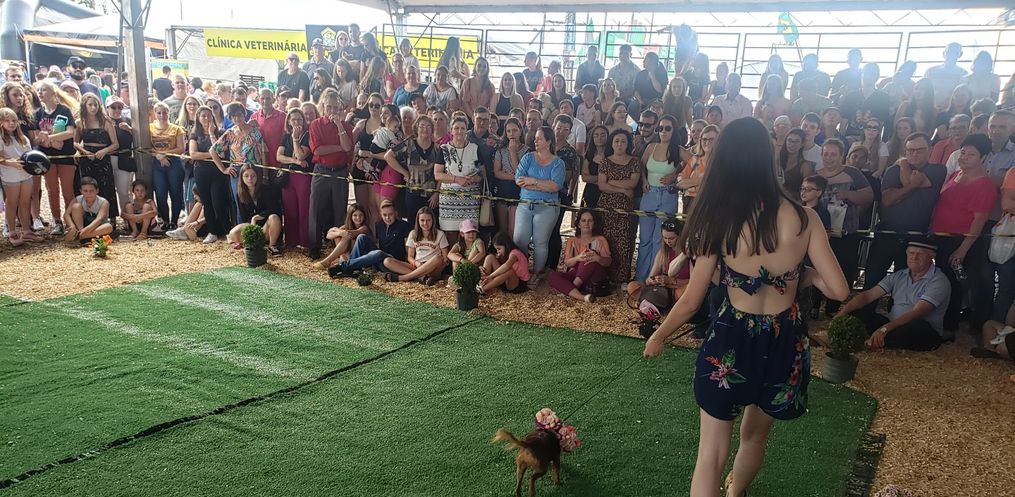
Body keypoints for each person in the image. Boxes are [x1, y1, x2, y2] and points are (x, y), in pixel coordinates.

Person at [643, 117, 848, 497]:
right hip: (784, 340)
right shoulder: (805, 216)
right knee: (754, 438)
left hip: (732, 337)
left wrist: (658, 336)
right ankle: (736, 491)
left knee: (711, 453)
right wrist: (804, 276)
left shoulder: (717, 218)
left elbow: (691, 300)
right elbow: (838, 289)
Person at [930, 133, 997, 332]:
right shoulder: (955, 174)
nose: (964, 157)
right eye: (963, 152)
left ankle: (949, 327)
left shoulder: (984, 185)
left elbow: (979, 219)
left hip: (961, 241)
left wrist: (963, 249)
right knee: (941, 280)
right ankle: (939, 321)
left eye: (971, 154)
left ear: (983, 158)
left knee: (954, 284)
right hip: (942, 237)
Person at [864, 132, 947, 289]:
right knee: (872, 279)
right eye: (910, 150)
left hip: (917, 237)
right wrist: (912, 185)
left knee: (906, 283)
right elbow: (888, 200)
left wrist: (903, 165)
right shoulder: (892, 170)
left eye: (920, 150)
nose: (914, 154)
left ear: (930, 149)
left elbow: (912, 180)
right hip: (887, 233)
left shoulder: (938, 170)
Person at [837, 238, 951, 351]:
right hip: (893, 325)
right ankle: (877, 339)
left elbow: (917, 312)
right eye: (911, 253)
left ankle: (872, 341)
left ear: (932, 257)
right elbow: (868, 296)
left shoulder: (939, 280)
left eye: (920, 254)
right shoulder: (899, 275)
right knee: (854, 314)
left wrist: (884, 329)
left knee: (917, 326)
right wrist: (842, 313)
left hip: (922, 330)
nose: (914, 257)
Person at [815, 138, 873, 315]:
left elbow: (869, 196)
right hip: (821, 233)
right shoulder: (815, 175)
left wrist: (848, 194)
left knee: (843, 268)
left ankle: (833, 310)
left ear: (842, 156)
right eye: (826, 154)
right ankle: (815, 307)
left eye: (833, 154)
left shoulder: (853, 173)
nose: (829, 158)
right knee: (818, 268)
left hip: (846, 232)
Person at [513, 125, 566, 286]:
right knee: (519, 238)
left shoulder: (558, 163)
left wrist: (533, 181)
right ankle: (521, 269)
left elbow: (555, 186)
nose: (535, 141)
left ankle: (537, 272)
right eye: (535, 138)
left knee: (540, 241)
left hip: (547, 207)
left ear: (548, 141)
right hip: (525, 204)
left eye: (539, 139)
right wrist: (542, 185)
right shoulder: (528, 157)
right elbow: (519, 179)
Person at [635, 114, 682, 283]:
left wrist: (676, 176)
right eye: (661, 128)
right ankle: (640, 278)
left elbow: (694, 161)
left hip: (668, 195)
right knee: (644, 239)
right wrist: (644, 180)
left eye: (667, 128)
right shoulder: (651, 147)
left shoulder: (679, 150)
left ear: (674, 130)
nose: (663, 131)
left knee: (659, 239)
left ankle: (653, 279)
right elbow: (641, 164)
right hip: (649, 194)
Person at [307, 90, 353, 260]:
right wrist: (339, 147)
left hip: (340, 171)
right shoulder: (316, 124)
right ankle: (314, 245)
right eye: (329, 107)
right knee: (316, 208)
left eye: (335, 107)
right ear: (323, 107)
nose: (332, 110)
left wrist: (339, 126)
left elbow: (348, 147)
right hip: (322, 170)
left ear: (340, 108)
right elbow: (318, 150)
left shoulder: (346, 126)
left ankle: (338, 245)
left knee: (340, 209)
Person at [210, 102, 268, 225]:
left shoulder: (255, 132)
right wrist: (223, 169)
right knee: (239, 203)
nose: (237, 118)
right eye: (233, 116)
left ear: (244, 114)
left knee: (257, 200)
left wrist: (265, 175)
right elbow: (213, 150)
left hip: (254, 170)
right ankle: (240, 231)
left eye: (239, 115)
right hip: (236, 172)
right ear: (230, 117)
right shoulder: (229, 133)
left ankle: (256, 230)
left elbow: (263, 153)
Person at [598, 128, 640, 287]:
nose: (620, 144)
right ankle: (603, 275)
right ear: (612, 143)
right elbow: (602, 185)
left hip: (625, 208)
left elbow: (632, 183)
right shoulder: (605, 161)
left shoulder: (634, 161)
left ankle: (622, 277)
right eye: (616, 141)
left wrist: (611, 181)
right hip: (606, 206)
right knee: (605, 239)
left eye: (623, 141)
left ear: (628, 144)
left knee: (624, 240)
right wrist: (622, 189)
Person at [328, 200, 412, 278]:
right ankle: (350, 268)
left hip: (391, 261)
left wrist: (407, 262)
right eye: (384, 215)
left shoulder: (403, 225)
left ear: (396, 213)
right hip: (378, 258)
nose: (387, 217)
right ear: (380, 214)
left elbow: (408, 249)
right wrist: (339, 232)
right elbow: (377, 244)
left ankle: (345, 267)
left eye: (390, 214)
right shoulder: (379, 225)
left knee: (379, 253)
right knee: (362, 237)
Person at [35, 80, 77, 234]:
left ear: (53, 92)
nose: (40, 93)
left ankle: (71, 221)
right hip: (47, 158)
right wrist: (49, 141)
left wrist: (49, 137)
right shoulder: (37, 113)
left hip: (65, 157)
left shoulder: (64, 110)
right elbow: (36, 138)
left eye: (44, 89)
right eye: (39, 90)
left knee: (68, 190)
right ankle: (57, 221)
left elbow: (70, 132)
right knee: (52, 190)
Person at [73, 93, 119, 224]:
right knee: (87, 186)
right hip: (86, 158)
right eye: (90, 105)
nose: (93, 108)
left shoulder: (106, 121)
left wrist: (104, 151)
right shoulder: (80, 122)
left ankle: (110, 216)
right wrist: (84, 152)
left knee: (106, 186)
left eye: (96, 105)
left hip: (102, 157)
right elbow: (75, 142)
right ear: (84, 106)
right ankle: (88, 216)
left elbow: (115, 144)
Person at [434, 116, 482, 241]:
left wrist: (474, 178)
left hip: (470, 201)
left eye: (462, 128)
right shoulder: (444, 149)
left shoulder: (474, 148)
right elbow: (437, 174)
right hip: (449, 200)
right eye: (456, 128)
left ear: (467, 130)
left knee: (470, 236)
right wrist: (457, 179)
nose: (459, 131)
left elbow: (483, 174)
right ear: (451, 130)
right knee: (450, 236)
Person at [188, 104, 230, 244]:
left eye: (208, 115)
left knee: (218, 203)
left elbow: (221, 152)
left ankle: (227, 231)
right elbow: (193, 154)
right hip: (201, 172)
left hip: (217, 172)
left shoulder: (220, 132)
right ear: (198, 118)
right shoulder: (195, 134)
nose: (206, 118)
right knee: (207, 203)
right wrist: (211, 154)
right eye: (203, 116)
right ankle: (212, 232)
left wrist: (212, 134)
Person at [626, 217, 687, 303]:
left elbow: (694, 282)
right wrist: (653, 280)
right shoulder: (663, 253)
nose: (668, 241)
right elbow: (648, 280)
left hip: (678, 289)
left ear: (680, 236)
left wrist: (671, 281)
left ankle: (654, 303)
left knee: (685, 290)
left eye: (671, 238)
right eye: (665, 238)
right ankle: (656, 303)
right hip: (662, 290)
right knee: (632, 286)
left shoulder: (688, 254)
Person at [226, 164, 283, 256]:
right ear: (241, 178)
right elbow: (243, 216)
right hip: (252, 225)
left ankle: (272, 246)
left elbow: (272, 209)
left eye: (253, 176)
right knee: (233, 233)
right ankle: (254, 244)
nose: (250, 179)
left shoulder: (266, 189)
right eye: (246, 176)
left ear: (257, 176)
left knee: (274, 217)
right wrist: (249, 229)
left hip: (267, 225)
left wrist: (256, 218)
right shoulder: (239, 194)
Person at [0, 107, 38, 245]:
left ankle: (26, 230)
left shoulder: (23, 138)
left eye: (14, 120)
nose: (11, 123)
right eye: (7, 120)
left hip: (25, 175)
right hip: (10, 177)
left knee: (25, 202)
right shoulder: (1, 139)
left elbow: (29, 155)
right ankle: (12, 232)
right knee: (12, 203)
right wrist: (8, 162)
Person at [277, 108, 313, 249]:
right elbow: (279, 156)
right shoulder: (285, 136)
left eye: (299, 119)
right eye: (294, 119)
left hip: (303, 176)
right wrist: (295, 161)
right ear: (289, 122)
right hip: (288, 175)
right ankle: (291, 241)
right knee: (289, 208)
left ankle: (305, 241)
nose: (297, 122)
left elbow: (301, 154)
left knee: (304, 208)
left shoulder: (308, 135)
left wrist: (295, 138)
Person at [383, 206, 448, 285]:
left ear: (433, 221)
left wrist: (436, 267)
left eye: (428, 220)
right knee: (387, 261)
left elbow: (445, 259)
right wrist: (416, 263)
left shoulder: (440, 234)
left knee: (438, 258)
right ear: (418, 221)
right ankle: (422, 278)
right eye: (422, 220)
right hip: (417, 265)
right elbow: (410, 257)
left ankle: (404, 277)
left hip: (433, 267)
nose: (425, 223)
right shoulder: (413, 233)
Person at [149, 101, 188, 230]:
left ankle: (174, 221)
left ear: (168, 113)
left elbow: (181, 148)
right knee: (160, 193)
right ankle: (165, 220)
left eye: (165, 113)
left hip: (174, 163)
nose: (162, 115)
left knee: (176, 192)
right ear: (155, 114)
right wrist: (158, 156)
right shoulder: (150, 128)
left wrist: (164, 154)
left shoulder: (177, 129)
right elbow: (145, 147)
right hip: (157, 163)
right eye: (159, 113)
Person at [493, 117, 526, 239]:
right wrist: (515, 177)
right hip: (503, 192)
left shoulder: (527, 151)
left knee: (513, 230)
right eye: (508, 131)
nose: (512, 134)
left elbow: (521, 173)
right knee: (502, 229)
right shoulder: (500, 150)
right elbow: (497, 172)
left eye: (514, 130)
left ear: (520, 131)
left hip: (517, 193)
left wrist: (512, 152)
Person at [313, 202, 369, 270]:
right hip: (346, 255)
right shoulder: (346, 227)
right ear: (350, 216)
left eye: (361, 215)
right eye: (355, 215)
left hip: (359, 255)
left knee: (346, 236)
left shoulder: (364, 228)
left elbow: (351, 233)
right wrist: (339, 232)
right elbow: (328, 235)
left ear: (364, 216)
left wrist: (336, 230)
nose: (358, 218)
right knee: (338, 236)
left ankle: (328, 261)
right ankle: (346, 262)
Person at [105, 96, 136, 218]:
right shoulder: (103, 121)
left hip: (124, 160)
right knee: (107, 189)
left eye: (120, 107)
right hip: (107, 159)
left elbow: (139, 139)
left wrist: (129, 129)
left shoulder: (128, 120)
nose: (117, 110)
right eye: (113, 107)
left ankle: (127, 217)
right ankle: (110, 217)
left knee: (124, 191)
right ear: (107, 108)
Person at [678, 124, 718, 213]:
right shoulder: (694, 160)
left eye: (711, 139)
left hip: (713, 204)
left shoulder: (722, 163)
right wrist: (701, 181)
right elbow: (680, 182)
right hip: (690, 203)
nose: (707, 142)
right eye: (704, 139)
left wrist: (690, 184)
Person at [924, 42, 967, 108]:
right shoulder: (931, 71)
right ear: (944, 53)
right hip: (929, 107)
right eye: (949, 52)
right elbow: (924, 89)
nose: (951, 55)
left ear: (960, 54)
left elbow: (960, 94)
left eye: (955, 53)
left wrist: (945, 106)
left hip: (950, 109)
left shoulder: (963, 73)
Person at [779, 128, 816, 194]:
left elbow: (808, 191)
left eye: (796, 141)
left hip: (794, 199)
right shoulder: (777, 160)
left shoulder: (805, 166)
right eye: (789, 140)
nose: (792, 144)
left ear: (802, 144)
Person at [580, 124, 608, 209]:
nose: (599, 138)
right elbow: (585, 178)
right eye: (596, 135)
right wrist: (604, 179)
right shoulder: (589, 155)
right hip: (591, 192)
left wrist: (594, 179)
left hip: (607, 193)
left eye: (603, 135)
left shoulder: (612, 156)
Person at [607, 45, 640, 116]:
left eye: (626, 54)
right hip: (614, 97)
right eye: (621, 53)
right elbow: (608, 85)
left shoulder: (636, 70)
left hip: (629, 98)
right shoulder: (612, 70)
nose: (623, 56)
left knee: (629, 104)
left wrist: (627, 93)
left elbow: (637, 88)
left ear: (631, 55)